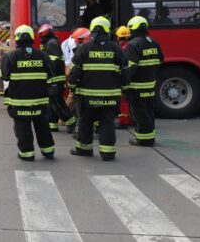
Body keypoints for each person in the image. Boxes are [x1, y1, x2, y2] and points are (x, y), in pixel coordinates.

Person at [68, 16, 128, 161]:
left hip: (86, 97)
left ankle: (84, 149)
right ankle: (107, 153)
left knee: (85, 122)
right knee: (107, 122)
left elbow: (75, 71)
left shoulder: (83, 47)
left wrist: (72, 86)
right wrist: (124, 87)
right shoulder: (116, 48)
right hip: (110, 96)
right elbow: (125, 70)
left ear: (92, 30)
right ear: (108, 30)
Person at [0, 25, 55, 161]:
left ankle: (27, 154)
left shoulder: (10, 56)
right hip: (40, 100)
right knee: (42, 125)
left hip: (19, 101)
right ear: (32, 37)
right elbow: (51, 75)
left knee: (22, 127)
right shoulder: (43, 55)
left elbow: (4, 75)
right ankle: (48, 151)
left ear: (17, 38)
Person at [124, 16, 164, 147]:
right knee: (149, 111)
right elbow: (160, 61)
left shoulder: (133, 44)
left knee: (138, 113)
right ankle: (150, 137)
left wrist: (123, 81)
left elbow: (131, 67)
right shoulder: (154, 42)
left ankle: (143, 139)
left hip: (136, 86)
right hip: (150, 84)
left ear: (134, 29)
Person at [38, 24, 76, 133]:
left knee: (57, 102)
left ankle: (70, 121)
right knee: (51, 103)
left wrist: (47, 73)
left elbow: (53, 62)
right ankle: (52, 124)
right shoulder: (49, 43)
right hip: (52, 78)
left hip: (54, 79)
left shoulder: (51, 44)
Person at [116, 26, 134, 129]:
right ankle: (131, 119)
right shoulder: (131, 46)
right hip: (132, 77)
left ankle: (123, 122)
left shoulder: (120, 48)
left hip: (124, 77)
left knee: (123, 100)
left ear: (118, 37)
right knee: (130, 100)